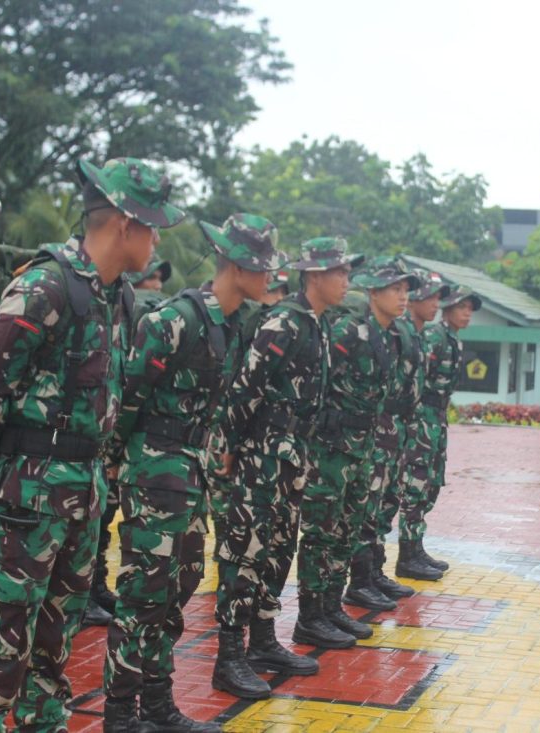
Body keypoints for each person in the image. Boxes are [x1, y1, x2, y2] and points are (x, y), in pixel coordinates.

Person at [0, 157, 184, 732]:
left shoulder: (118, 297)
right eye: (152, 227)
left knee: (53, 652)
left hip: (82, 494)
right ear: (124, 223)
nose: (156, 240)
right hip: (25, 495)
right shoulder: (44, 284)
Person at [101, 214, 279, 731]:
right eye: (263, 267)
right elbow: (126, 400)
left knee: (177, 590)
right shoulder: (174, 321)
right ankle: (120, 715)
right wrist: (117, 465)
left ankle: (158, 706)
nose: (270, 277)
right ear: (237, 267)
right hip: (154, 473)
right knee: (142, 596)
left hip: (190, 473)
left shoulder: (231, 326)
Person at [211, 237, 358, 698]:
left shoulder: (316, 324)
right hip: (264, 454)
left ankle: (262, 641)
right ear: (313, 275)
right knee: (246, 551)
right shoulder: (284, 323)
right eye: (339, 272)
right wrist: (228, 447)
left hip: (294, 455)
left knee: (278, 549)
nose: (346, 280)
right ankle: (229, 656)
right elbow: (244, 389)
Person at [295, 257, 418, 647]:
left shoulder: (383, 334)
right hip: (332, 448)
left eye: (405, 290)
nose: (403, 297)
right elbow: (319, 384)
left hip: (362, 447)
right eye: (395, 289)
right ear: (374, 293)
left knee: (346, 530)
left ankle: (331, 607)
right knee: (321, 532)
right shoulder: (346, 331)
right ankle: (310, 615)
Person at [85, 256, 175, 628]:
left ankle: (94, 587)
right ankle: (87, 592)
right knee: (97, 516)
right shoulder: (133, 306)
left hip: (115, 419)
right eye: (151, 279)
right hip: (110, 424)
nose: (157, 286)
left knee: (102, 515)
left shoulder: (130, 307)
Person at [371, 267, 448, 597]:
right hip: (388, 426)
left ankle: (381, 569)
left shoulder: (413, 334)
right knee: (377, 503)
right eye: (428, 297)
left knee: (393, 497)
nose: (434, 304)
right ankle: (368, 575)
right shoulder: (397, 333)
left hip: (407, 425)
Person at [396, 285, 480, 580]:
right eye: (462, 307)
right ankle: (407, 555)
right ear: (448, 309)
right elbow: (417, 379)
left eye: (470, 309)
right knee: (415, 484)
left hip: (437, 418)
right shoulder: (435, 337)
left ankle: (416, 548)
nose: (467, 313)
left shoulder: (453, 340)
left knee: (430, 483)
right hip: (422, 417)